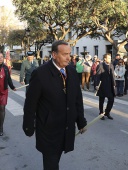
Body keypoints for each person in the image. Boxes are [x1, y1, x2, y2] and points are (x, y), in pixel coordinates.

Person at [23, 40, 87, 170]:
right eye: (64, 54)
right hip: (48, 130)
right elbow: (30, 103)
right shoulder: (40, 74)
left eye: (69, 54)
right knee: (51, 164)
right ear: (54, 54)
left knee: (56, 159)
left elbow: (77, 99)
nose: (69, 58)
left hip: (66, 127)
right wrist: (29, 126)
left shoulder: (72, 71)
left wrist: (81, 121)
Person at [0, 53, 16, 136]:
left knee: (2, 108)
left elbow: (9, 79)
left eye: (2, 57)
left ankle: (1, 127)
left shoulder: (6, 68)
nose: (0, 58)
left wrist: (13, 87)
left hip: (3, 92)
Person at [96, 53, 115, 120]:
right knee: (102, 101)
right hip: (103, 85)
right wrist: (97, 84)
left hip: (110, 85)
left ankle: (107, 112)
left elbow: (113, 75)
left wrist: (114, 84)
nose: (110, 59)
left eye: (110, 58)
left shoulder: (111, 65)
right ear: (105, 59)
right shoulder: (100, 65)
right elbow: (98, 75)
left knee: (111, 100)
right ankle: (101, 113)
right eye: (109, 58)